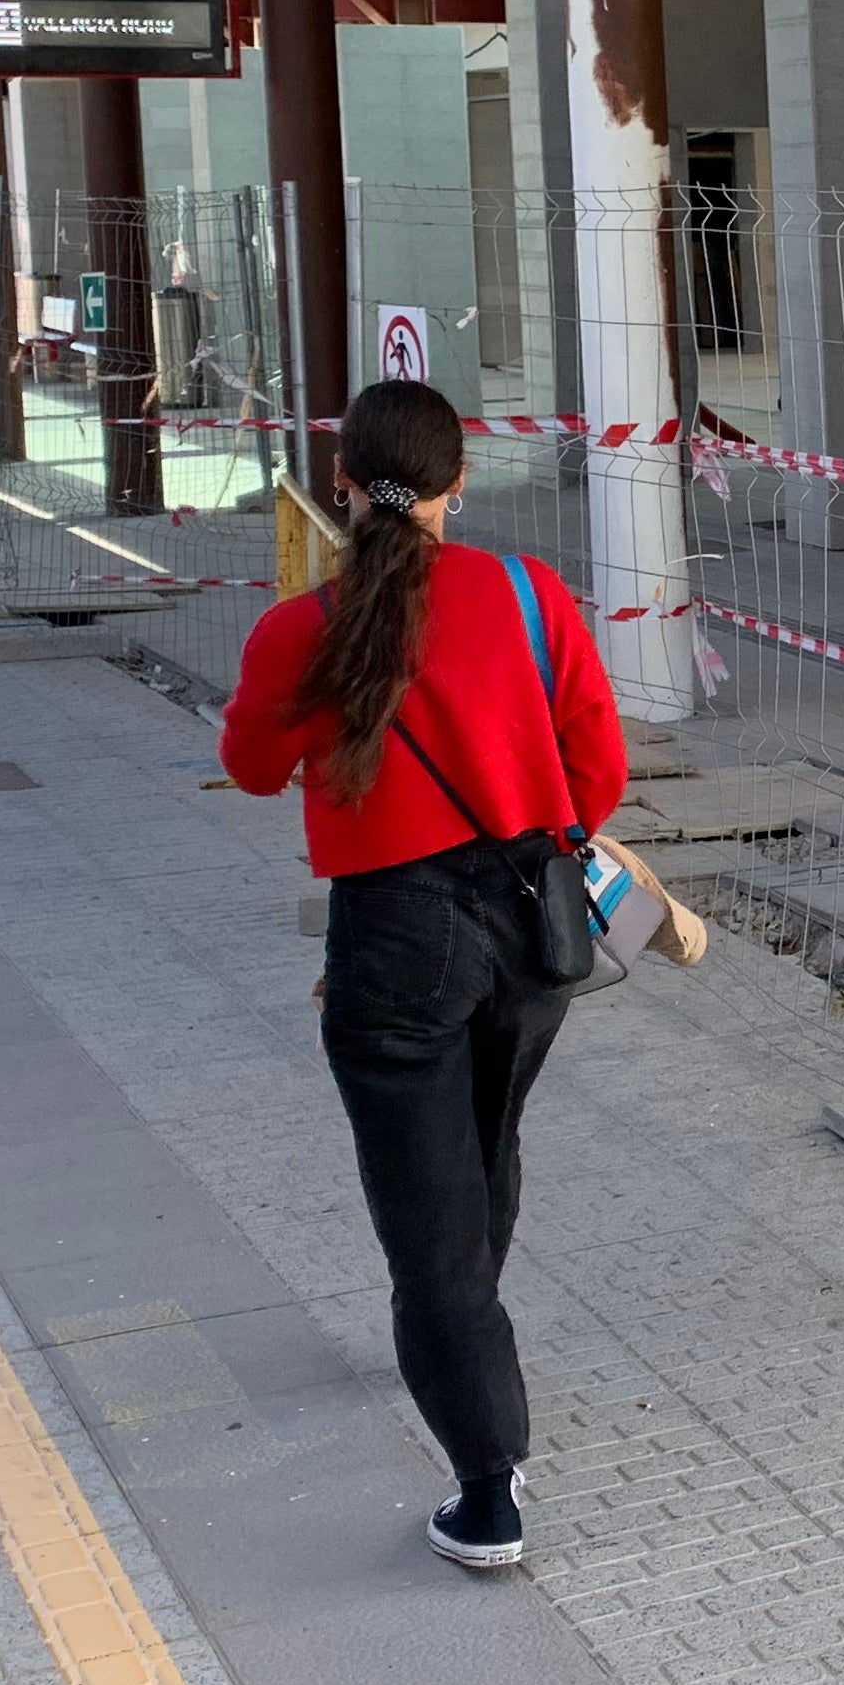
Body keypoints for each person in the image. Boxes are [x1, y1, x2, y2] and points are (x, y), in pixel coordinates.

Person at [220, 381, 626, 1570]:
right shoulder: (526, 593)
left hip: (396, 933)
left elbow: (249, 766)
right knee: (487, 1140)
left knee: (426, 1208)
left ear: (340, 484)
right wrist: (538, 834)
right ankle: (459, 1324)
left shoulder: (306, 625)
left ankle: (488, 1487)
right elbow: (595, 759)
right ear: (460, 487)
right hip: (530, 918)